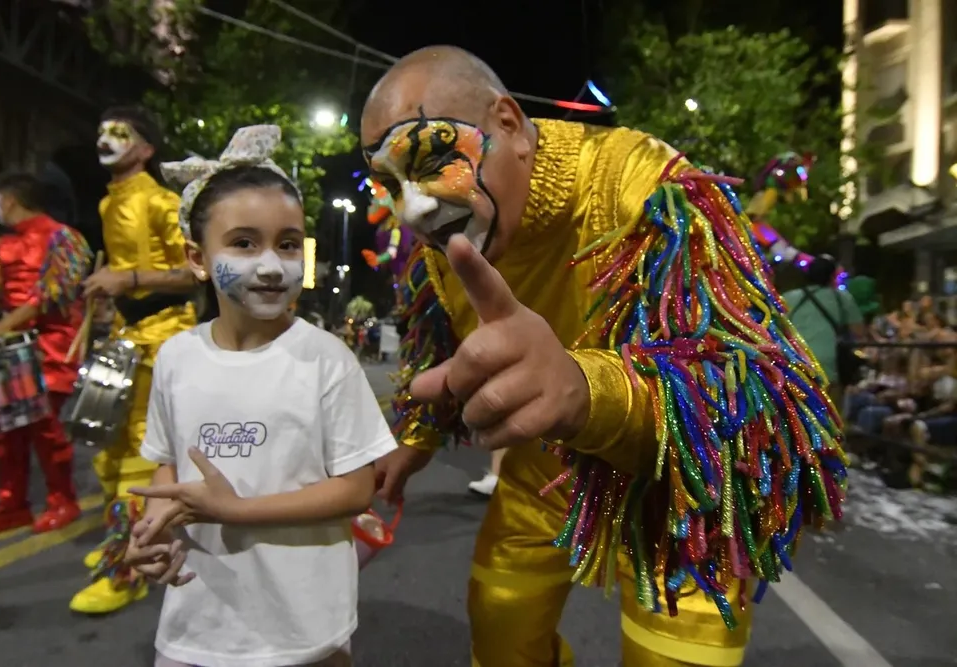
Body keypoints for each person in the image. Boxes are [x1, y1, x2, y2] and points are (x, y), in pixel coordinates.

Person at [363, 46, 846, 667]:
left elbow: (751, 387)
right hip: (543, 481)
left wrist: (587, 391)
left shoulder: (648, 187)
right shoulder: (443, 247)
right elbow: (441, 344)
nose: (414, 208)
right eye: (391, 184)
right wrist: (416, 438)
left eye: (432, 161)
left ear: (508, 125)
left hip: (679, 499)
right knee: (500, 632)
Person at [123, 125, 395, 667]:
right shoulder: (176, 358)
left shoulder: (326, 359)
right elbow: (168, 468)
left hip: (303, 626)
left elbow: (356, 489)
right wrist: (154, 531)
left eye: (288, 243)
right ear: (197, 258)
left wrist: (238, 511)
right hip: (198, 619)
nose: (272, 264)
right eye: (244, 243)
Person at [69, 105, 198, 615]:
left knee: (139, 453)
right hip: (126, 335)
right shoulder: (109, 205)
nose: (105, 139)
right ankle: (121, 540)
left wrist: (131, 280)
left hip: (163, 336)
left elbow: (194, 269)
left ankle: (130, 567)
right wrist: (110, 296)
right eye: (101, 130)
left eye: (119, 133)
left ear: (145, 149)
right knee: (106, 444)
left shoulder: (163, 202)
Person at [0, 171, 91, 537]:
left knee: (46, 429)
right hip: (8, 351)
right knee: (5, 431)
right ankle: (11, 506)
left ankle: (63, 500)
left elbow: (45, 299)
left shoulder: (64, 239)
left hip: (50, 347)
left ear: (11, 200)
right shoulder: (0, 247)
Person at [784, 254, 865, 409]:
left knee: (798, 414)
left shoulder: (789, 297)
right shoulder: (842, 298)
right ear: (832, 276)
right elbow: (858, 331)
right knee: (830, 414)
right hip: (828, 364)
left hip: (795, 361)